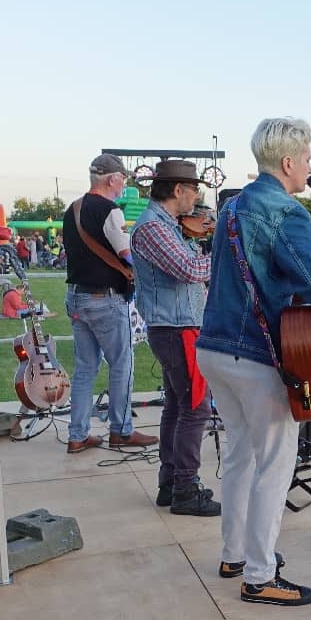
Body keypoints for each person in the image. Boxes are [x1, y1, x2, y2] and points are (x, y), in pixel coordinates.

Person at [197, 117, 311, 607]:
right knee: (275, 463)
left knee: (240, 455)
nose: (310, 165)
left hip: (214, 347)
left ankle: (234, 554)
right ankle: (260, 576)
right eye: (307, 157)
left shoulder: (232, 206)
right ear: (288, 162)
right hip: (256, 355)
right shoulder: (287, 211)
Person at [130, 160, 220, 517]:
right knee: (196, 408)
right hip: (177, 328)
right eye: (194, 190)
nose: (197, 198)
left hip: (176, 326)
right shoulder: (154, 228)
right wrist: (221, 255)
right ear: (178, 190)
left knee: (178, 406)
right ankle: (185, 487)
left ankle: (171, 483)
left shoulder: (165, 226)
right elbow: (189, 270)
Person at [62, 153, 157, 453]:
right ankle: (121, 430)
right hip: (105, 298)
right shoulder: (110, 210)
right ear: (112, 179)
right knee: (121, 364)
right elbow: (126, 254)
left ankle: (77, 435)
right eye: (122, 179)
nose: (123, 184)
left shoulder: (72, 210)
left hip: (76, 295)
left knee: (84, 369)